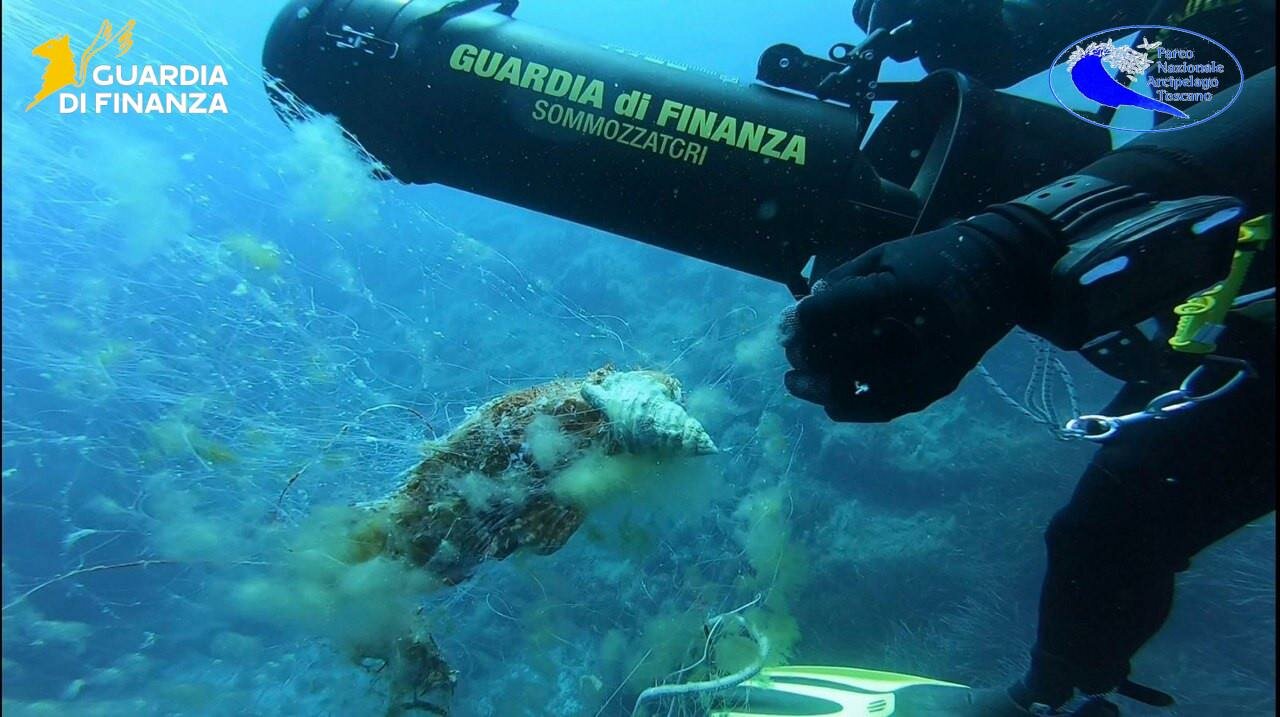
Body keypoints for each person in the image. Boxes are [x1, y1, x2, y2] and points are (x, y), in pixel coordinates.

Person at [779, 1, 1275, 714]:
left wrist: (1023, 235)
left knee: (1122, 505)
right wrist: (965, 22)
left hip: (1236, 278)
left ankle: (1049, 696)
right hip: (1232, 273)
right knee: (1108, 529)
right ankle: (1055, 695)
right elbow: (1061, 43)